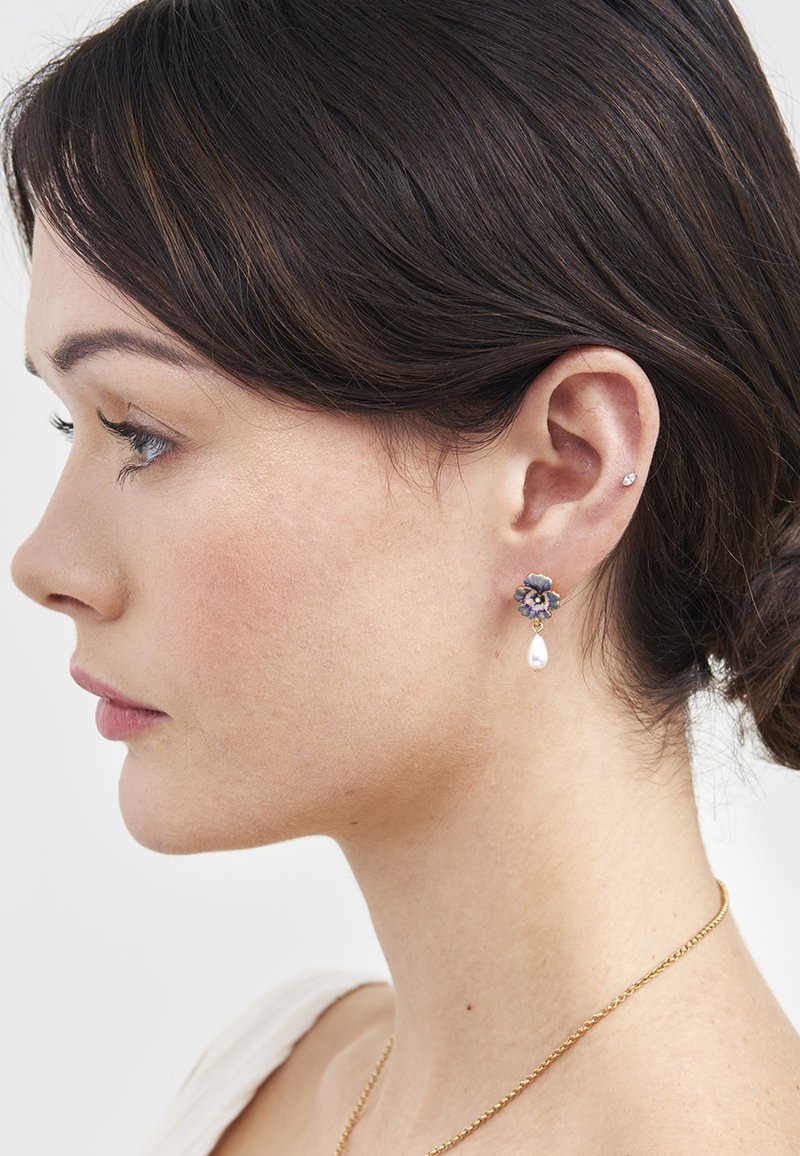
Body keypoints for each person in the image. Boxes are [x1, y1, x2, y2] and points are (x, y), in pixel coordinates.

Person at [4, 0, 800, 1152]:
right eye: (63, 420)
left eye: (142, 431)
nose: (44, 564)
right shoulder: (281, 1068)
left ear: (561, 474)